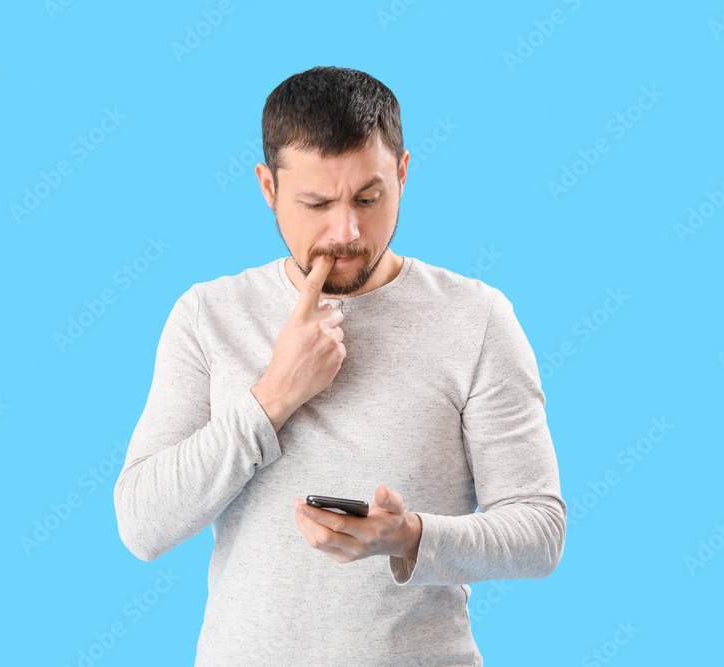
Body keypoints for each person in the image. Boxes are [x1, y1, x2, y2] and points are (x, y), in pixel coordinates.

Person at [113, 65, 567, 665]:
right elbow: (143, 525)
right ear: (268, 189)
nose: (346, 230)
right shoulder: (208, 316)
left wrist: (410, 537)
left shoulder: (476, 319)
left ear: (403, 173)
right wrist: (273, 396)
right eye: (317, 203)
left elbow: (539, 532)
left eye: (368, 197)